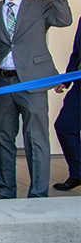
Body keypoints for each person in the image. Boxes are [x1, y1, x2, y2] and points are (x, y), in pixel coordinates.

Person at [0, 0, 72, 198]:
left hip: (32, 82)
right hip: (2, 83)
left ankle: (38, 194)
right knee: (1, 139)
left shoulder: (41, 4)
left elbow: (64, 20)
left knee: (36, 139)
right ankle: (5, 191)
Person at [53, 15, 81, 192]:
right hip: (79, 86)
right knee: (64, 126)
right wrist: (67, 79)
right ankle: (78, 173)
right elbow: (77, 51)